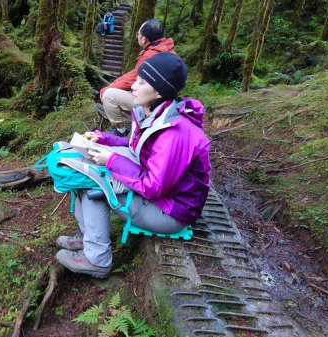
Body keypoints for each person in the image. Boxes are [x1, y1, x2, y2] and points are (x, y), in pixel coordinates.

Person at [55, 52, 211, 278]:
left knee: (95, 186)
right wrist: (104, 139)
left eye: (142, 82)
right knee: (83, 170)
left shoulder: (176, 133)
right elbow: (139, 148)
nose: (134, 87)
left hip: (171, 211)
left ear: (159, 91)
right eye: (137, 80)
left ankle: (96, 259)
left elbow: (154, 186)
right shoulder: (155, 114)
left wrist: (111, 160)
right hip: (161, 198)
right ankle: (88, 236)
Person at [97, 19, 175, 137]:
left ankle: (120, 129)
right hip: (163, 101)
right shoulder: (165, 49)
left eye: (138, 34)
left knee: (109, 95)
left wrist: (108, 88)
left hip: (154, 105)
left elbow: (134, 80)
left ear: (143, 39)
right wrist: (116, 82)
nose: (137, 36)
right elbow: (135, 73)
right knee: (114, 89)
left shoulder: (150, 55)